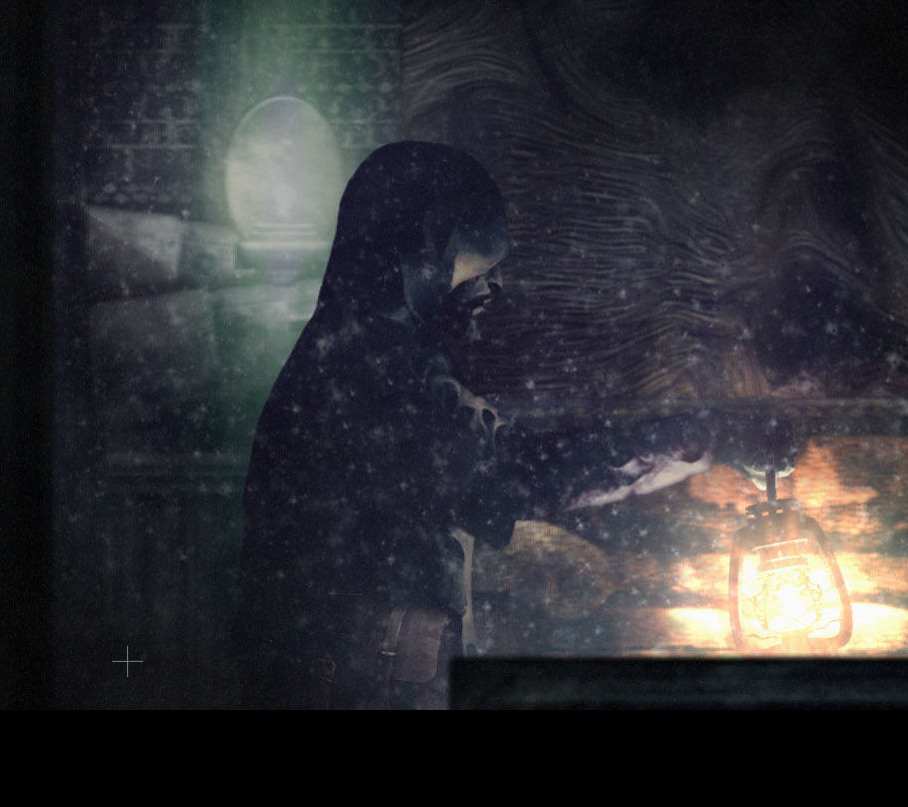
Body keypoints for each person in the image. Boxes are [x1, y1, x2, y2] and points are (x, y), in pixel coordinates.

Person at [232, 141, 786, 709]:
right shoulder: (378, 367)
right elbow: (524, 471)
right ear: (423, 252)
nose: (493, 285)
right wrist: (704, 437)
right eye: (478, 260)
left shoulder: (355, 352)